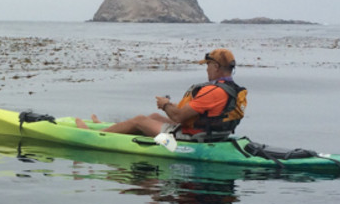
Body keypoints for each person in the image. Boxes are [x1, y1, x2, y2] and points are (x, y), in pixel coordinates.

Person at [75, 48, 246, 138]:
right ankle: (106, 127)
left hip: (191, 140)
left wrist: (165, 104)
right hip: (211, 134)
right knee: (154, 117)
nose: (206, 69)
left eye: (207, 65)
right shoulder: (231, 89)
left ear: (216, 67)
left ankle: (94, 135)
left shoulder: (213, 92)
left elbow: (178, 117)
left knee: (140, 120)